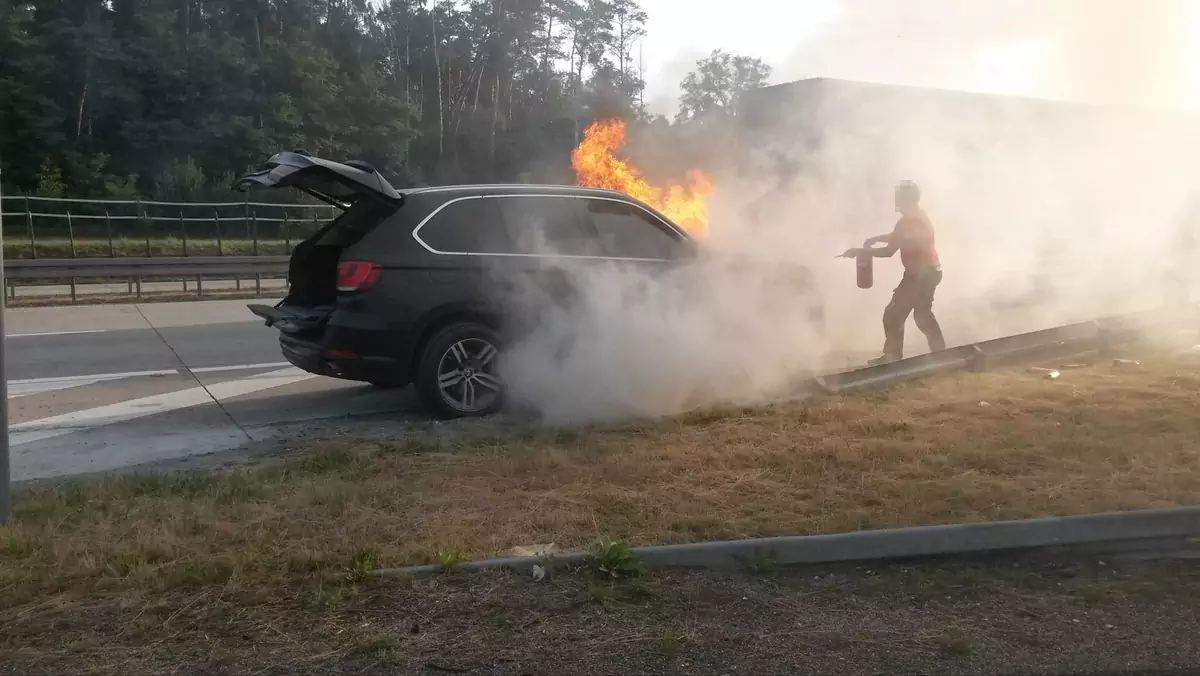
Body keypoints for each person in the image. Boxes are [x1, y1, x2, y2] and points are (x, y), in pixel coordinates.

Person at [842, 180, 946, 365]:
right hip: (929, 272)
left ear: (907, 198)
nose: (895, 199)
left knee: (893, 314)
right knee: (922, 314)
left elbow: (889, 251)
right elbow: (898, 237)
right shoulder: (916, 216)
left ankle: (893, 357)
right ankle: (941, 354)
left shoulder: (910, 219)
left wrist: (860, 252)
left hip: (920, 275)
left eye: (899, 196)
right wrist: (875, 238)